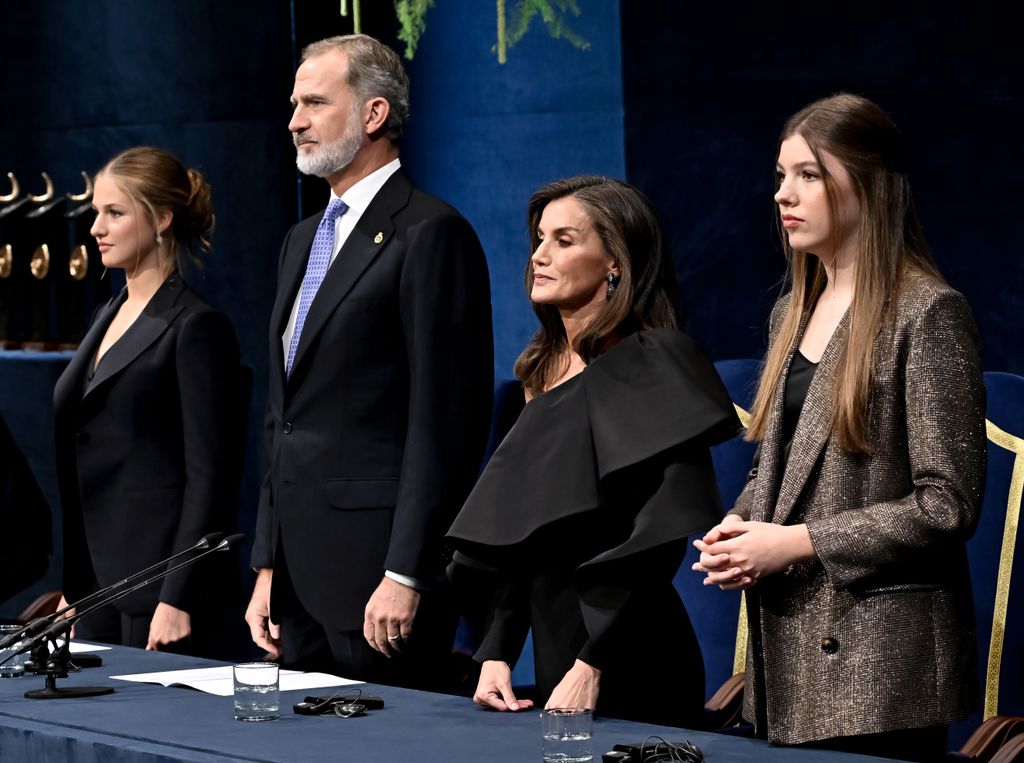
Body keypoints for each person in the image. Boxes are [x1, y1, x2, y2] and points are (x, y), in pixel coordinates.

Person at [692, 94, 986, 761]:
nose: (783, 195)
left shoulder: (928, 311)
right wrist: (742, 528)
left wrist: (793, 541)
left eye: (808, 175)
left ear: (869, 183)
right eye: (779, 176)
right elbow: (788, 472)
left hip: (881, 670)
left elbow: (947, 504)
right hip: (788, 652)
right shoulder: (791, 312)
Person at [245, 34, 493, 689]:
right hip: (298, 582)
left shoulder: (429, 232)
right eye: (294, 103)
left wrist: (408, 569)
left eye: (315, 103)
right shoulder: (301, 240)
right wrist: (268, 564)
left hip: (381, 578)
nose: (294, 121)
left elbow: (445, 423)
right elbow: (284, 417)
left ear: (375, 113)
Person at [446, 176, 740, 726]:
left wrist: (593, 660)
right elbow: (525, 534)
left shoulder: (657, 361)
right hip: (558, 645)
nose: (539, 256)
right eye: (538, 240)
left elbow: (659, 535)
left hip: (632, 650)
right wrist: (497, 650)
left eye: (564, 240)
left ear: (615, 263)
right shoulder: (538, 374)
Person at [54, 147, 244, 656]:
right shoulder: (104, 315)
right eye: (96, 212)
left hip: (158, 593)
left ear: (161, 218)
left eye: (115, 213)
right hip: (95, 590)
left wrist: (177, 595)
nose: (97, 227)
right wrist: (74, 587)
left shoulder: (197, 327)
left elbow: (212, 476)